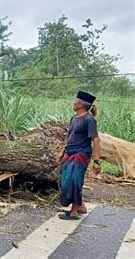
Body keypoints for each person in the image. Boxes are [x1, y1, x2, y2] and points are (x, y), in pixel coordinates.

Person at [56, 91, 100, 220]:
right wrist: (62, 152)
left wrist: (97, 161)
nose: (73, 103)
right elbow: (69, 138)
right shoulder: (74, 118)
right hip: (71, 153)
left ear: (81, 104)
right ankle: (81, 206)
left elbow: (96, 140)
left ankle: (74, 212)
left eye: (75, 101)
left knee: (75, 181)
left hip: (81, 154)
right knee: (66, 181)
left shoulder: (89, 120)